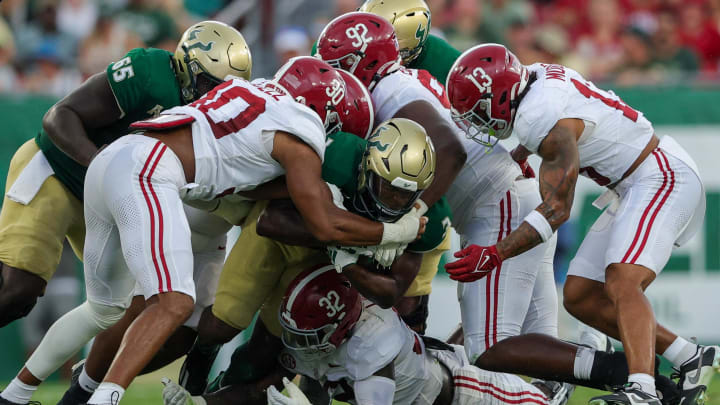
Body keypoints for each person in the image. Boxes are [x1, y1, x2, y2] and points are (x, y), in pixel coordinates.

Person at [444, 43, 715, 405]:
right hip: (633, 182)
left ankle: (642, 391)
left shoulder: (537, 117)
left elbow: (557, 210)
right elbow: (565, 122)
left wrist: (495, 253)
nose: (476, 121)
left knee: (623, 279)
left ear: (501, 97)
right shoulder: (535, 78)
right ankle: (689, 356)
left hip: (660, 177)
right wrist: (520, 154)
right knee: (581, 295)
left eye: (478, 111)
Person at [317, 11, 560, 382]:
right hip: (498, 195)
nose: (336, 77)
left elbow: (449, 151)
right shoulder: (399, 82)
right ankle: (617, 376)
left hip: (497, 199)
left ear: (363, 61)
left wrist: (409, 215)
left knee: (488, 345)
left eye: (339, 66)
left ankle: (620, 371)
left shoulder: (392, 90)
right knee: (534, 335)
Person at [0, 20, 251, 329]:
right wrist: (103, 166)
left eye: (227, 91)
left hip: (109, 202)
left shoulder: (217, 117)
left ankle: (92, 379)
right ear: (187, 66)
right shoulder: (148, 73)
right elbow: (59, 116)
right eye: (208, 85)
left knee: (132, 303)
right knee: (17, 290)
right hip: (58, 171)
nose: (215, 98)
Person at [161, 265, 567, 405]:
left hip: (467, 397)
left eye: (309, 335)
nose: (298, 343)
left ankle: (564, 378)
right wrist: (199, 401)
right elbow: (258, 393)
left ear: (341, 327)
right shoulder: (319, 330)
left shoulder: (375, 349)